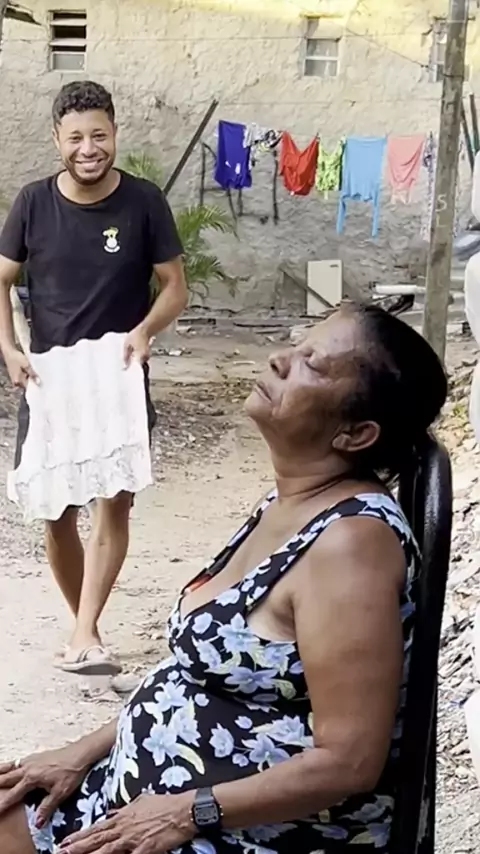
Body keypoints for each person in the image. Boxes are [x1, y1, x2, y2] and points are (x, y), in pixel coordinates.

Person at [0, 303, 447, 854]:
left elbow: (350, 761)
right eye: (298, 344)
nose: (280, 359)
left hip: (251, 833)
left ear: (355, 434)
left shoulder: (350, 545)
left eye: (313, 364)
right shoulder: (288, 504)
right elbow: (199, 678)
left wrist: (188, 811)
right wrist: (84, 751)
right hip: (144, 803)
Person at [0, 81, 188, 676]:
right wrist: (9, 349)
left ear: (115, 134)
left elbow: (174, 287)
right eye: (76, 137)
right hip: (50, 379)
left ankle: (84, 632)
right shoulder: (33, 203)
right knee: (57, 512)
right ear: (57, 139)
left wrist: (146, 330)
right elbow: (1, 280)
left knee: (114, 501)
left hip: (118, 374)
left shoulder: (143, 202)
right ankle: (87, 628)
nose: (89, 148)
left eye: (99, 135)